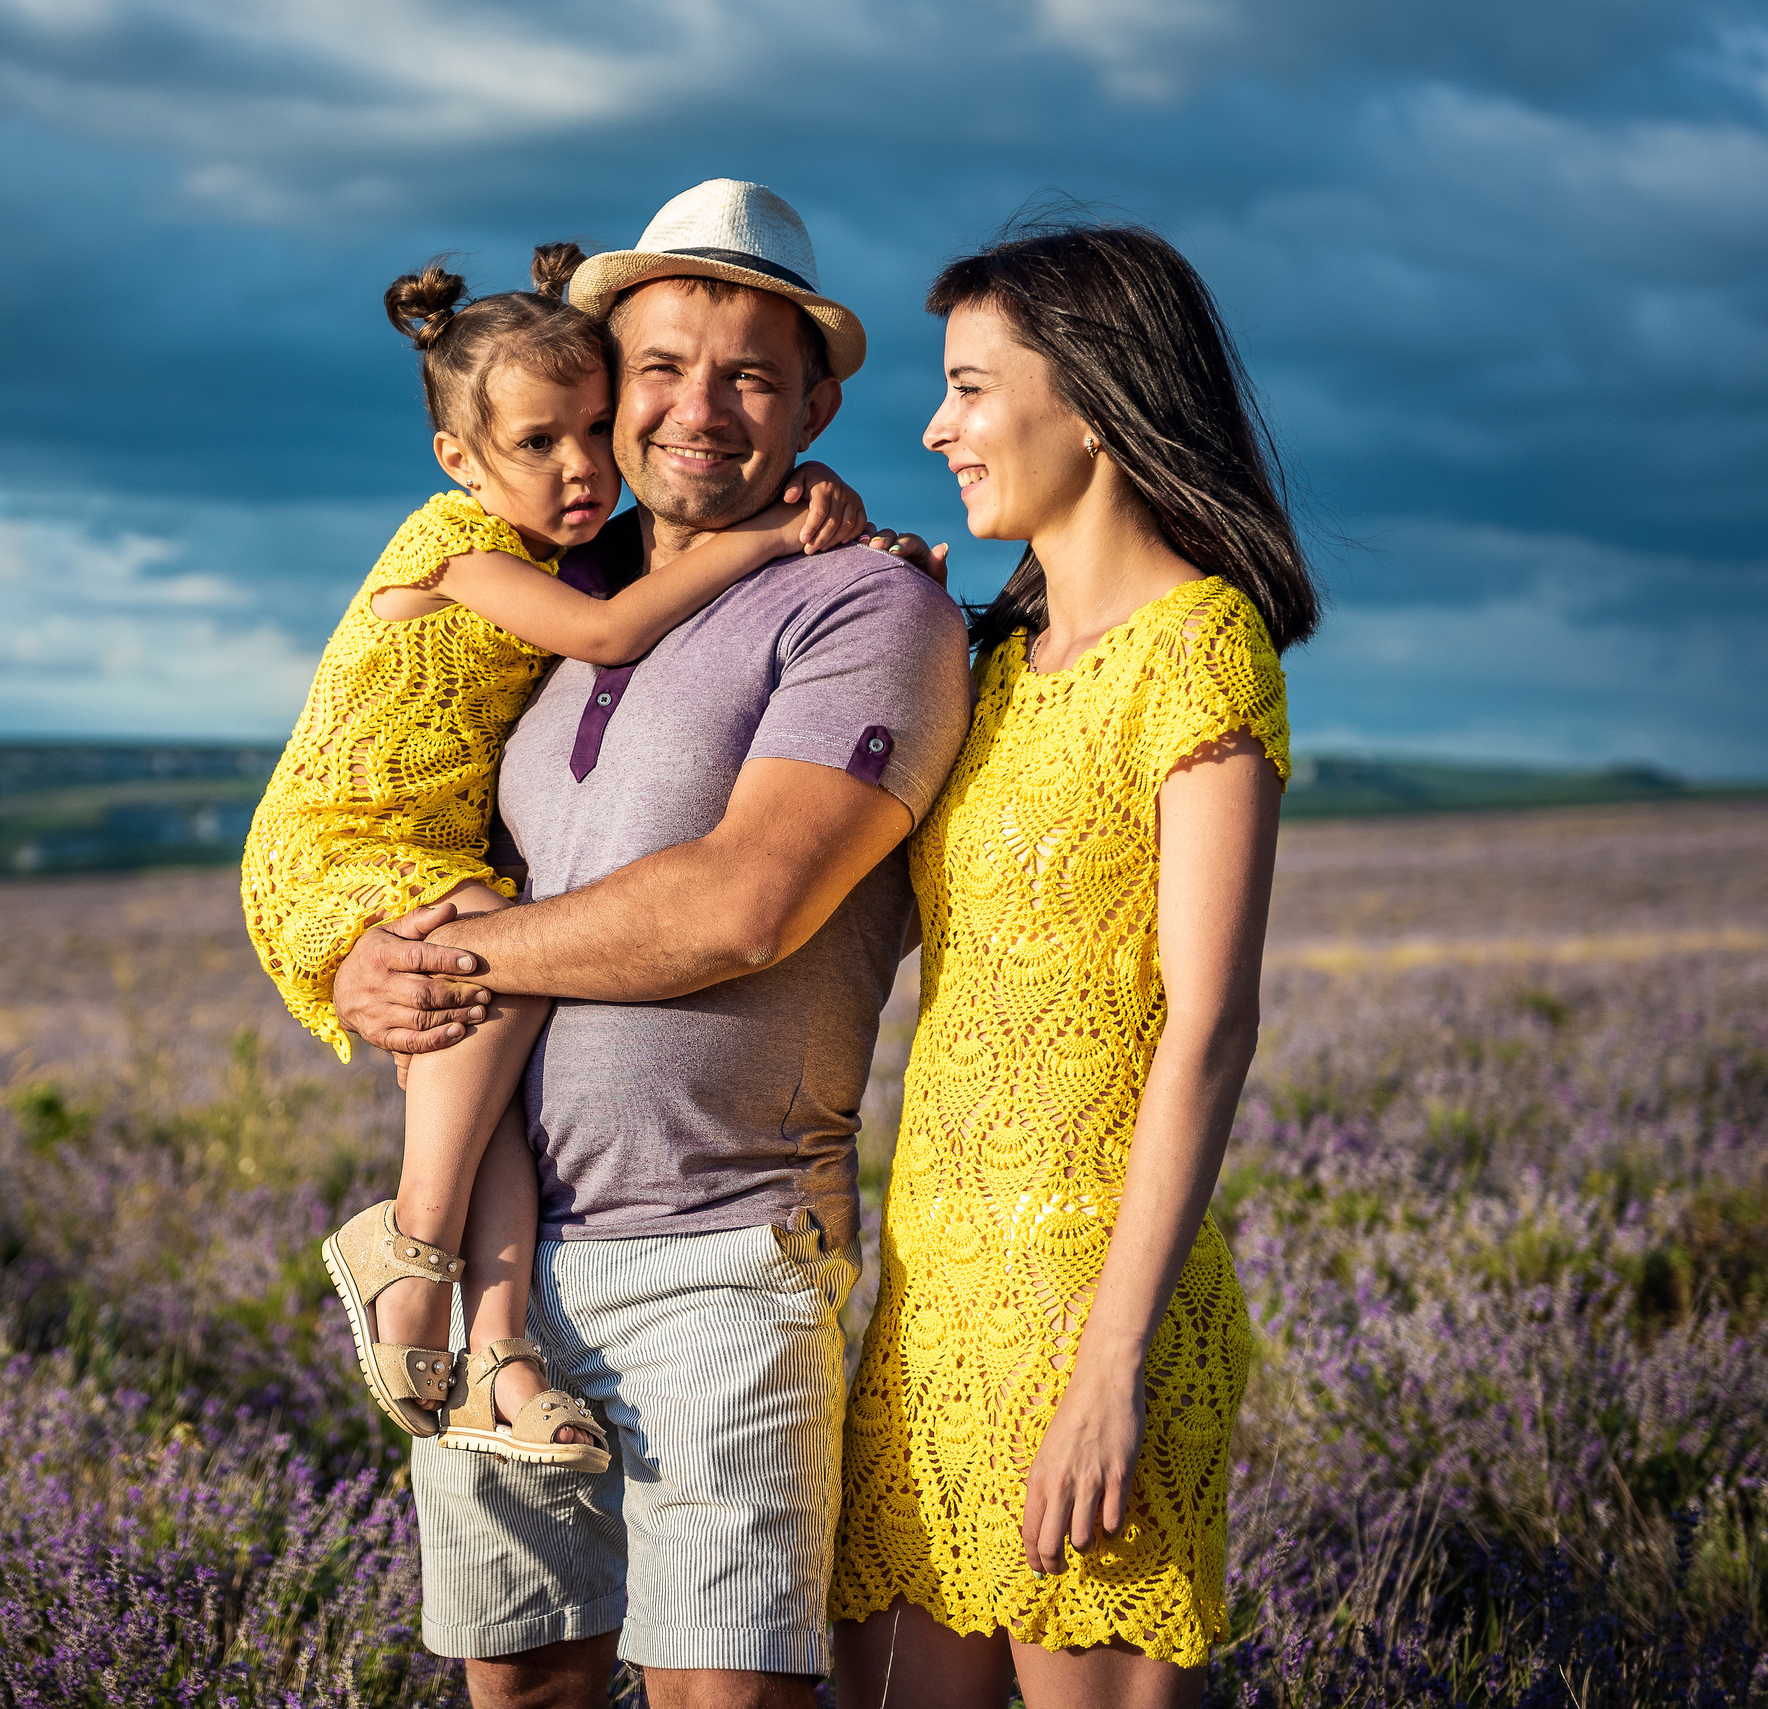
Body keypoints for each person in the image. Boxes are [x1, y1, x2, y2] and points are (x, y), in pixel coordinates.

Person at [329, 179, 973, 1709]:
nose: (699, 409)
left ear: (816, 405)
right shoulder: (545, 598)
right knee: (523, 1687)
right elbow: (427, 837)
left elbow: (743, 904)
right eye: (663, 368)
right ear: (608, 387)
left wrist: (455, 961)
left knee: (718, 1695)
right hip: (503, 1263)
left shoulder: (866, 604)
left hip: (723, 1260)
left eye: (751, 377)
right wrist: (362, 960)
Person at [239, 243, 874, 1468]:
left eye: (592, 427)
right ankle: (410, 1242)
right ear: (458, 459)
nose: (581, 465)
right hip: (345, 834)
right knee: (497, 965)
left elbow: (682, 510)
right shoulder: (457, 548)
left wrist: (807, 496)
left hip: (420, 842)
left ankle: (499, 1356)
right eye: (539, 442)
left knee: (490, 1080)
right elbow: (611, 628)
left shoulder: (559, 540)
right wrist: (764, 536)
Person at [829, 218, 1321, 1709]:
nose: (936, 427)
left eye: (971, 388)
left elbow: (1210, 1028)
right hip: (929, 1301)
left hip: (1088, 1310)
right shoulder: (987, 663)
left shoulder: (1198, 647)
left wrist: (1110, 1366)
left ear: (1095, 401)